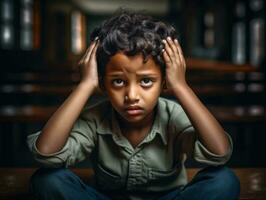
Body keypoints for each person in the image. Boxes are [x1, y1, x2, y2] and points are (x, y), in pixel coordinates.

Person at [27, 9, 240, 200]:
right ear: (102, 83)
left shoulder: (173, 115)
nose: (131, 95)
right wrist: (84, 85)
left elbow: (219, 152)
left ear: (164, 81)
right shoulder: (96, 118)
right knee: (47, 180)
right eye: (118, 81)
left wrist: (181, 86)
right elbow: (46, 153)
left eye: (146, 81)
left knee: (224, 180)